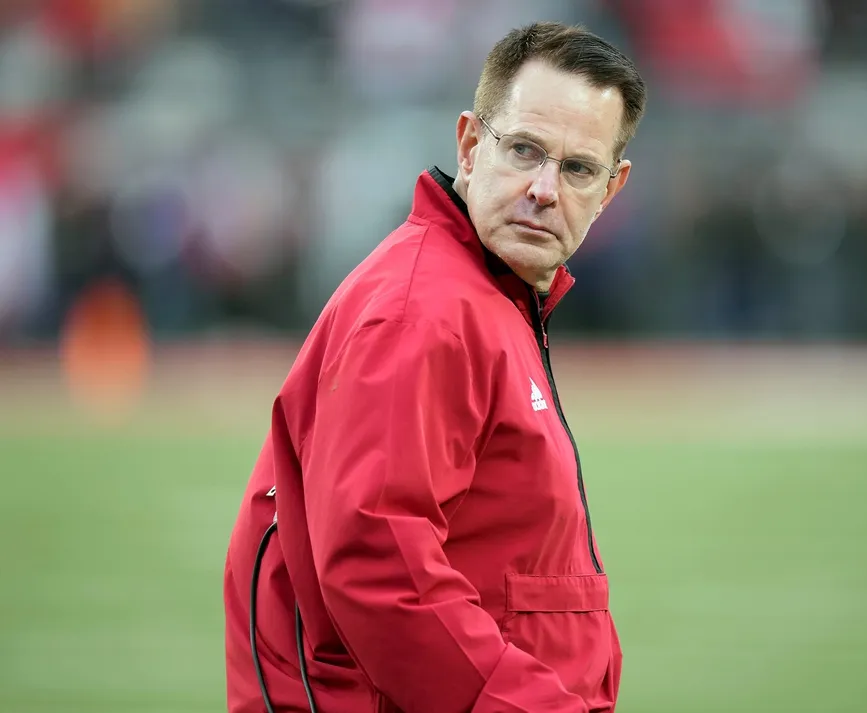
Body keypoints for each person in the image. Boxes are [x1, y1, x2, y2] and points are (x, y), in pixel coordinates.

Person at [223, 21, 646, 713]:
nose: (545, 188)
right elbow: (380, 568)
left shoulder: (488, 293)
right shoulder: (425, 311)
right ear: (471, 147)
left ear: (611, 188)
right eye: (525, 150)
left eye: (578, 168)